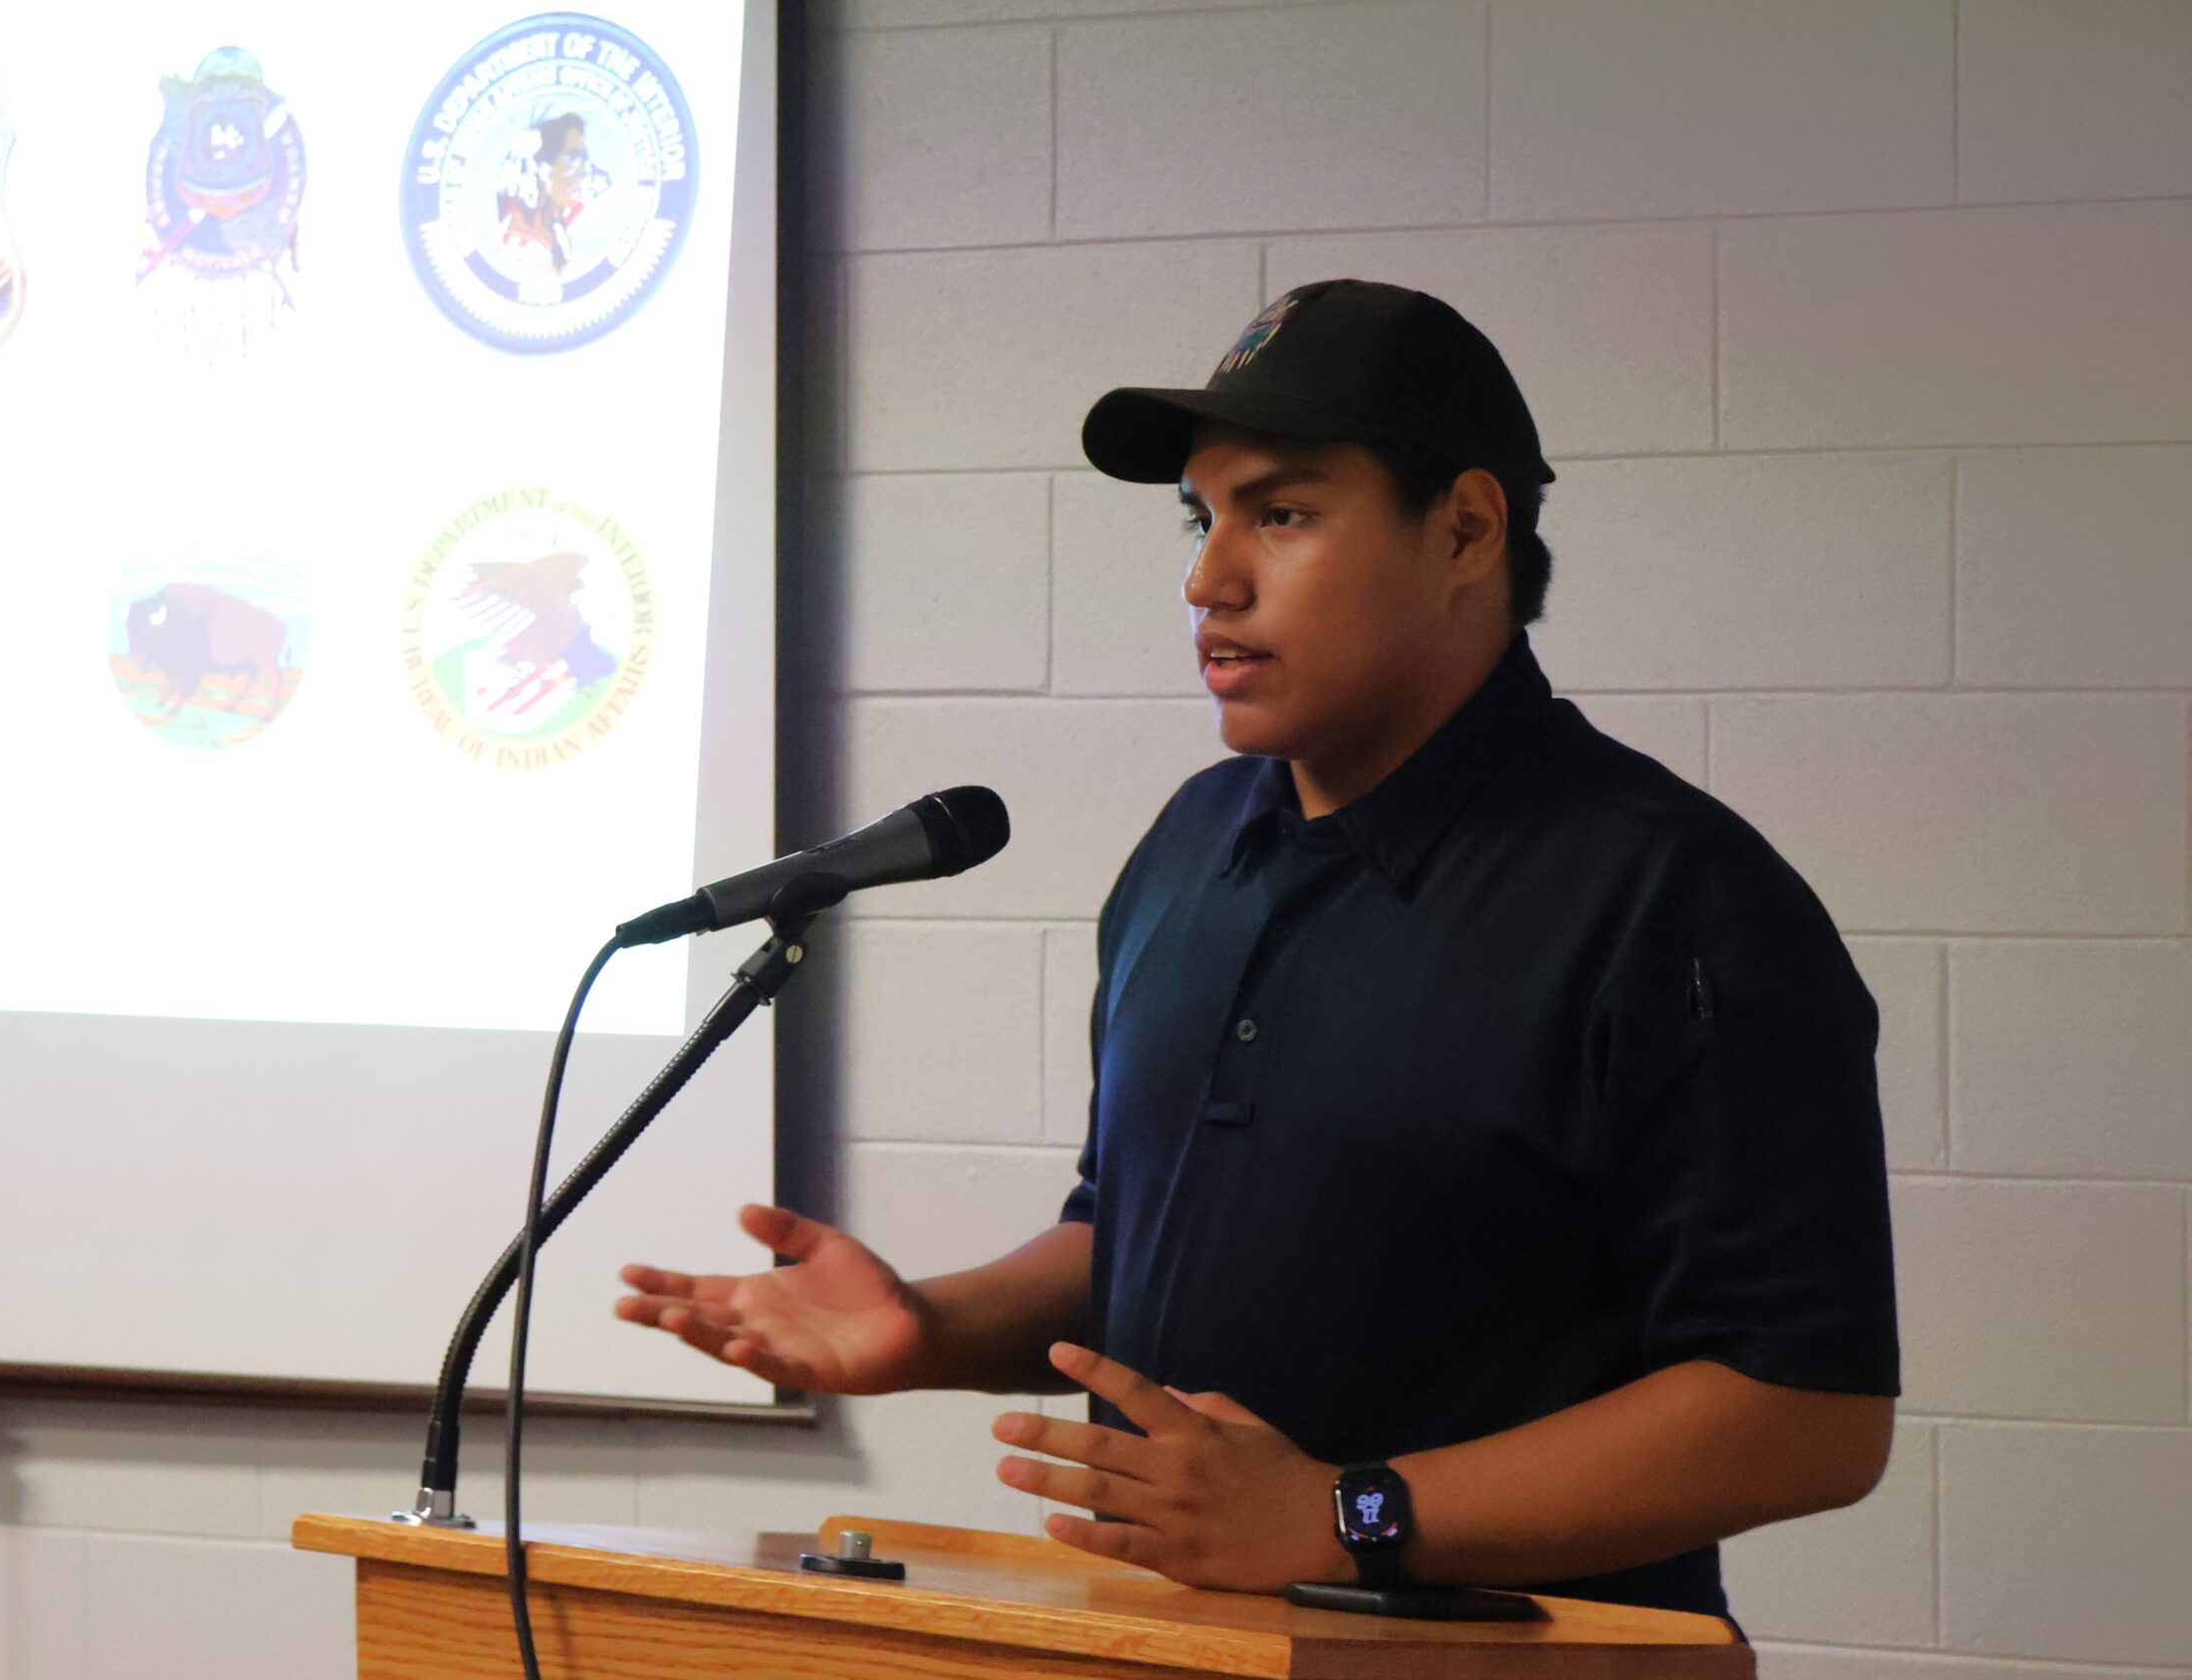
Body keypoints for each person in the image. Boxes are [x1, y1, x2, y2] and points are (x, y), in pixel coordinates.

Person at [616, 279, 1899, 1618]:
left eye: (1281, 514)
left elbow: (1806, 1410)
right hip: (1173, 1648)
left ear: (1466, 528)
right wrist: (930, 1325)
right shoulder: (1190, 847)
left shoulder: (1678, 900)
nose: (1206, 578)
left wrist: (1347, 1513)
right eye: (1202, 515)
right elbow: (1132, 1223)